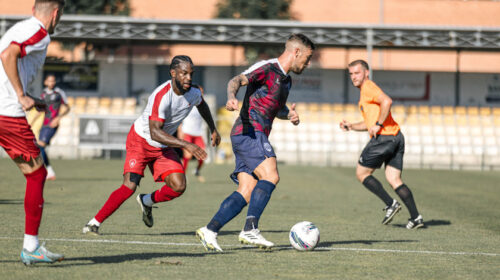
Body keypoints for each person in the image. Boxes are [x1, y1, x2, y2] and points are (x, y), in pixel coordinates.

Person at [196, 33, 315, 252]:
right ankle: (250, 229)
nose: (308, 63)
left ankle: (210, 230)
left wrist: (288, 114)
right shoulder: (268, 68)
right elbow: (236, 80)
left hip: (251, 135)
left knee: (247, 190)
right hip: (249, 131)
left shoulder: (286, 80)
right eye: (307, 58)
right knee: (271, 175)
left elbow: (276, 108)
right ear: (296, 52)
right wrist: (232, 96)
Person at [82, 55, 221, 235]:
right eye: (184, 73)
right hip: (141, 141)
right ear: (173, 73)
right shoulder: (162, 96)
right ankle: (94, 223)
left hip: (162, 145)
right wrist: (187, 144)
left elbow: (202, 105)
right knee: (129, 186)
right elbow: (155, 132)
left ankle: (147, 200)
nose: (188, 78)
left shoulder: (193, 92)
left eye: (191, 74)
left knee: (179, 186)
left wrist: (213, 129)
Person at [0, 0, 65, 265]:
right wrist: (20, 96)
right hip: (7, 114)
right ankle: (31, 246)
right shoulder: (39, 33)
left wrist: (28, 96)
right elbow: (7, 56)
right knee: (37, 174)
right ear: (56, 13)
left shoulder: (20, 27)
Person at [340, 59, 424, 229]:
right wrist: (351, 126)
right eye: (351, 74)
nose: (353, 77)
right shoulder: (365, 93)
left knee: (362, 173)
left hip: (384, 138)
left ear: (366, 73)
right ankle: (416, 217)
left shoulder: (368, 87)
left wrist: (378, 124)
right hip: (396, 137)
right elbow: (368, 124)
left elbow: (387, 101)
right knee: (394, 178)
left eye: (357, 73)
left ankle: (390, 204)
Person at [30, 74, 70, 180]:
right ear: (45, 82)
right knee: (40, 147)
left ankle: (45, 170)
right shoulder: (43, 95)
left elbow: (67, 108)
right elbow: (40, 110)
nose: (51, 83)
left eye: (53, 81)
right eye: (49, 81)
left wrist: (58, 118)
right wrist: (32, 122)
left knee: (40, 145)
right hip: (44, 125)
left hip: (52, 124)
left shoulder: (59, 93)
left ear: (55, 82)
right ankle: (49, 171)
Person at [178, 84, 207, 182]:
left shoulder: (202, 104)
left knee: (203, 155)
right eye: (200, 92)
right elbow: (180, 118)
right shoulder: (187, 103)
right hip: (187, 132)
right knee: (188, 156)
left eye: (202, 92)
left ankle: (197, 171)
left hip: (198, 133)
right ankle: (182, 176)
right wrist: (180, 131)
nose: (202, 94)